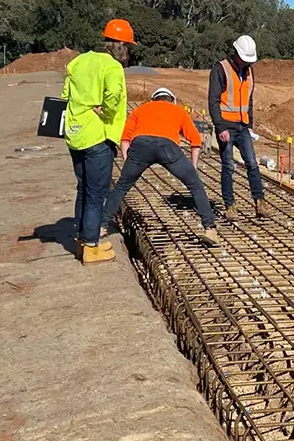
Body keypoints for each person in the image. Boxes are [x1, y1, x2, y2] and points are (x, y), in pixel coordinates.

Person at [101, 88, 218, 246]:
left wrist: (129, 161)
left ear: (152, 100)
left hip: (140, 146)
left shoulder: (140, 109)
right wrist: (193, 168)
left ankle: (101, 226)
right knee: (195, 186)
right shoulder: (178, 111)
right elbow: (196, 141)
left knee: (122, 186)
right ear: (172, 99)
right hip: (168, 147)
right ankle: (210, 230)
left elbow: (125, 139)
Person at [64, 19, 133, 265]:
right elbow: (113, 96)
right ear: (121, 44)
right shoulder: (112, 67)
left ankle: (82, 240)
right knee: (96, 194)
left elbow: (65, 96)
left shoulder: (79, 61)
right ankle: (92, 247)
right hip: (98, 137)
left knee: (83, 189)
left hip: (75, 134)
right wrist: (105, 112)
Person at [208, 35, 266, 219]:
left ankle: (260, 202)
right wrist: (220, 127)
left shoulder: (249, 72)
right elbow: (213, 101)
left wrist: (249, 125)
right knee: (228, 166)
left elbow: (249, 101)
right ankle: (230, 205)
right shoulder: (220, 69)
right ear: (236, 54)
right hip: (226, 126)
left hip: (242, 127)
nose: (247, 63)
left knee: (252, 164)